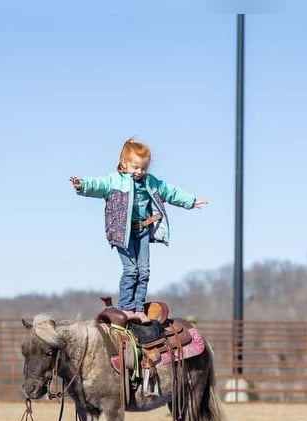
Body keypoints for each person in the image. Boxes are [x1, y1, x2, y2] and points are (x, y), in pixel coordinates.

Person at [70, 138, 207, 323]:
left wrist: (190, 201)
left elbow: (170, 191)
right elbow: (97, 185)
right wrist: (82, 184)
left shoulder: (150, 182)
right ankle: (126, 308)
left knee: (144, 271)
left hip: (142, 231)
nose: (139, 172)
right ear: (124, 163)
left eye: (143, 168)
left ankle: (139, 308)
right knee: (131, 270)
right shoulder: (114, 180)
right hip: (123, 233)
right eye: (135, 167)